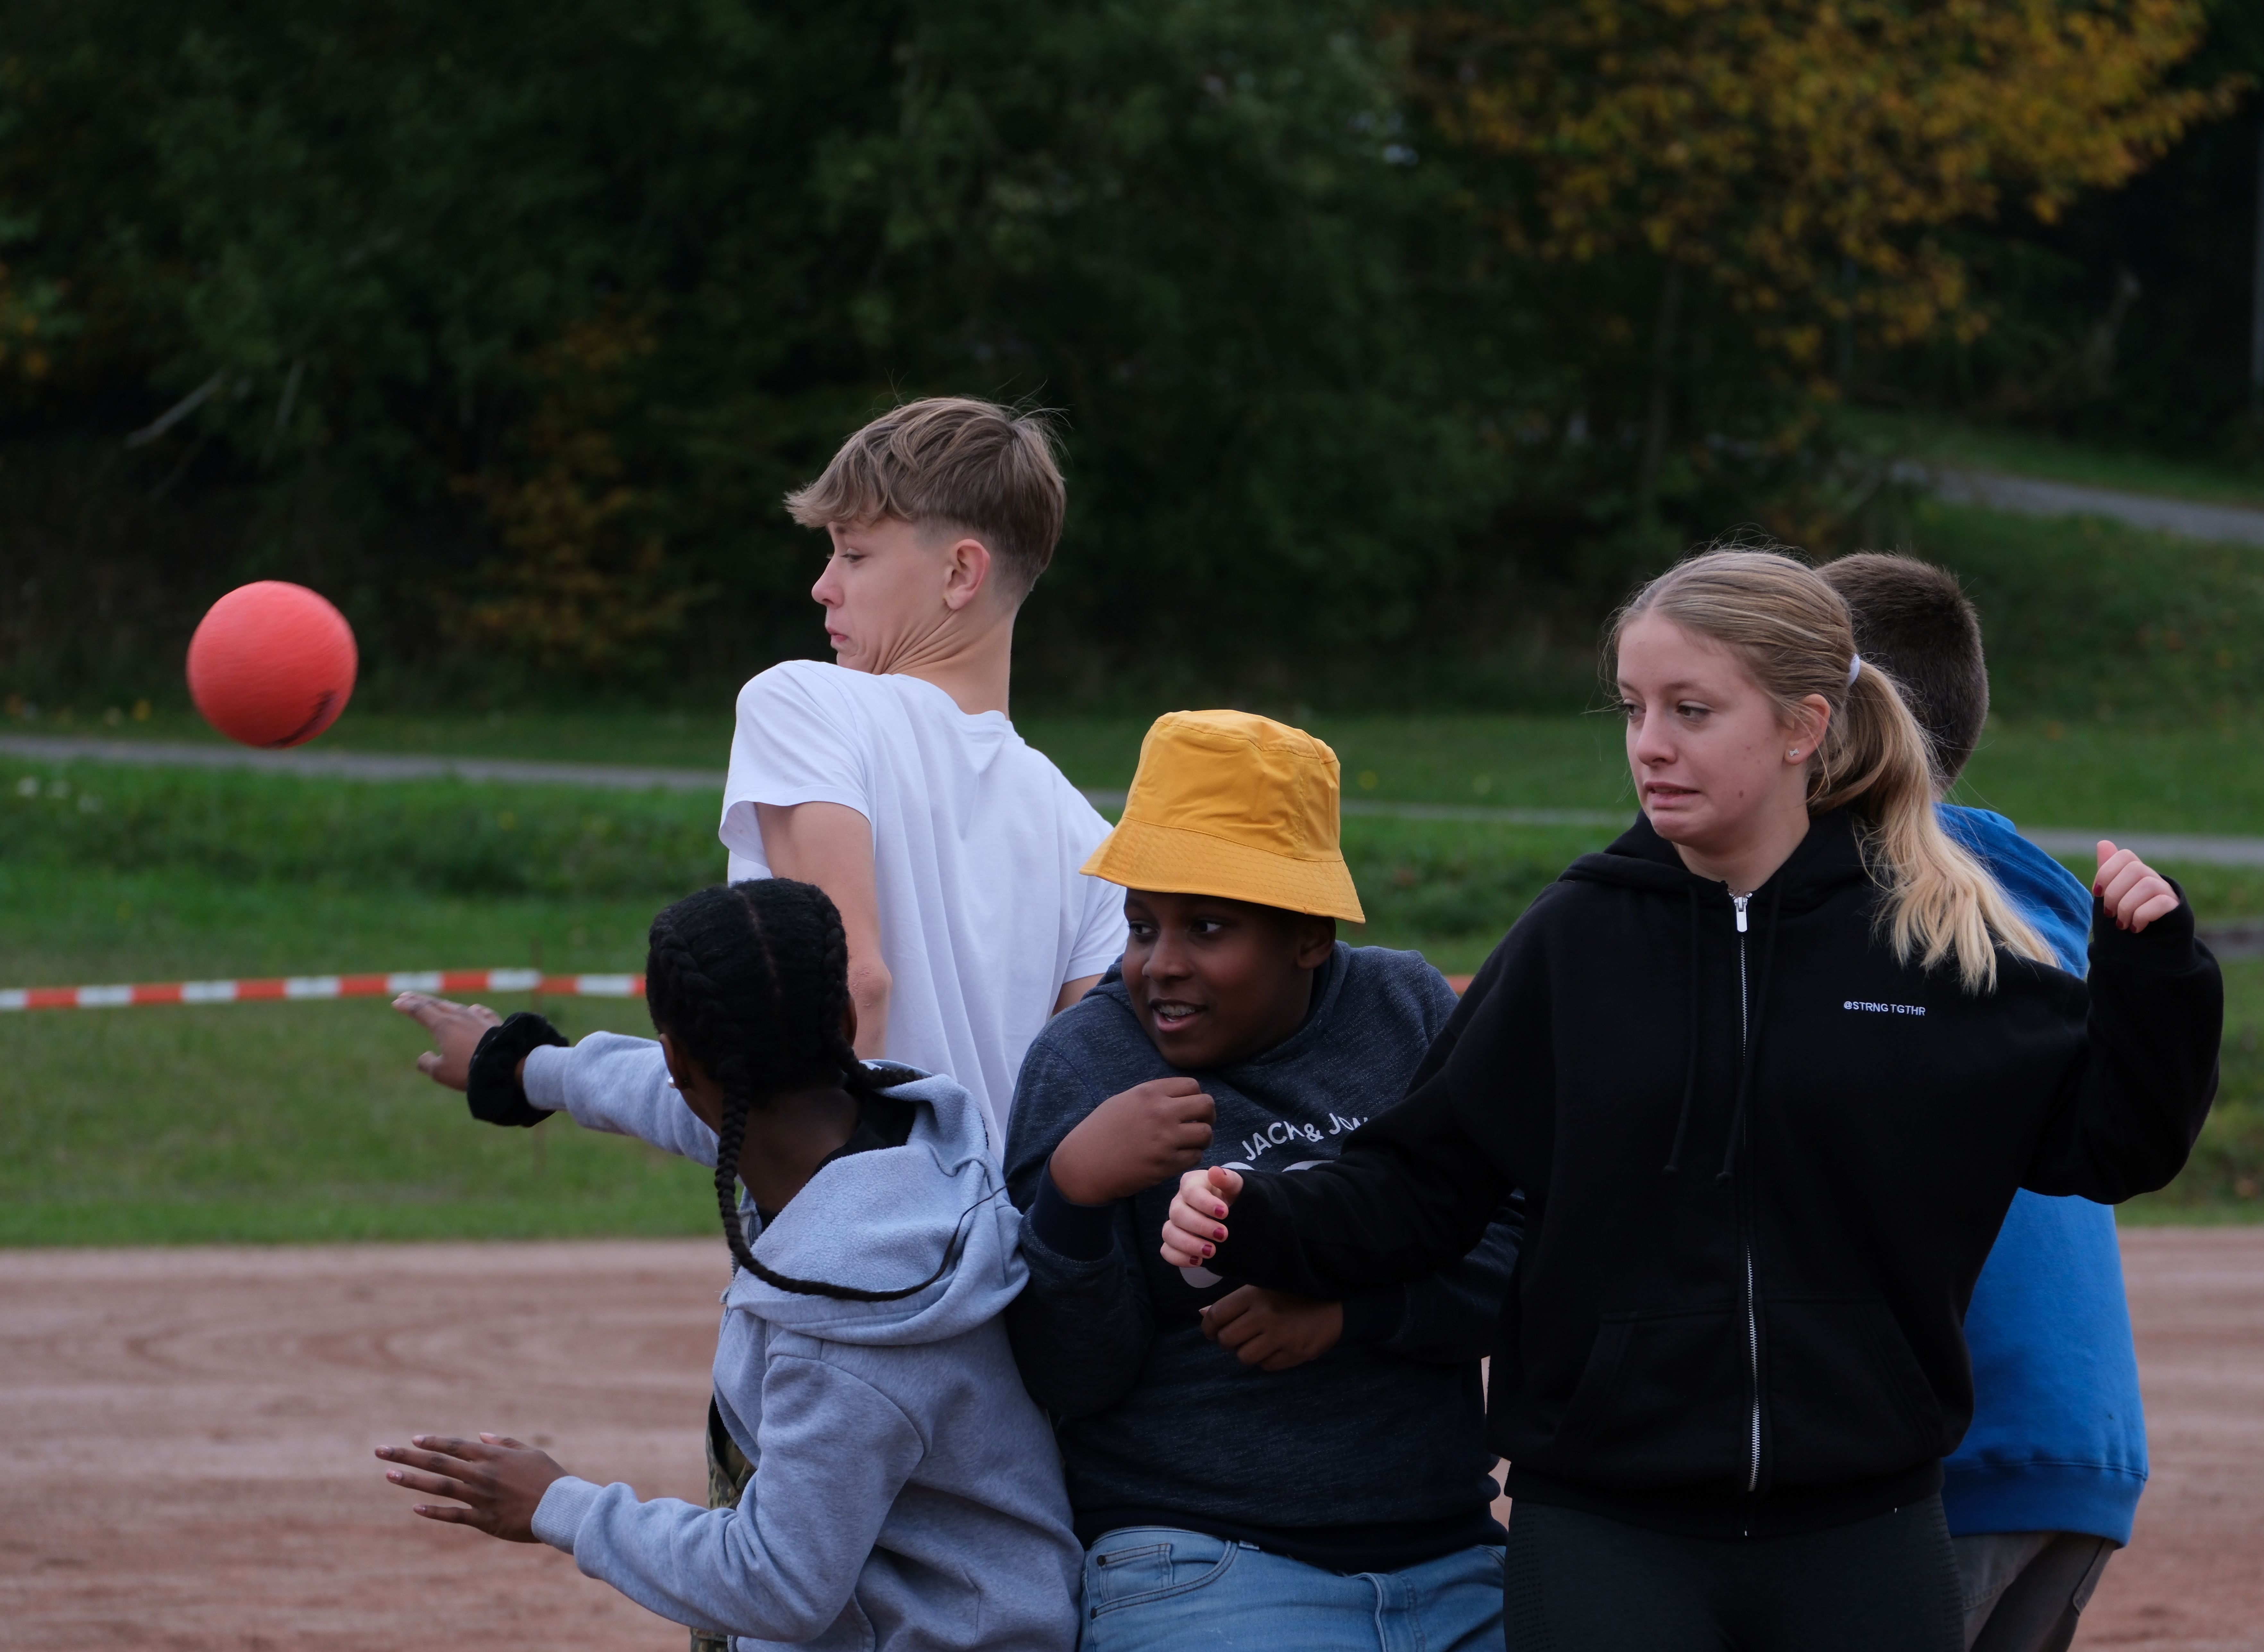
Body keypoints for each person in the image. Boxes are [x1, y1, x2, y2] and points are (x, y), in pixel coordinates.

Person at [1160, 548, 2224, 1652]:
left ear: (1803, 727)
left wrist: (2156, 975)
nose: (1649, 745)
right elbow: (1422, 1186)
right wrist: (1258, 1215)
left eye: (1690, 710)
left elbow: (2113, 1146)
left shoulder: (1931, 939)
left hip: (1868, 1530)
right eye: (1633, 709)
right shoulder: (1574, 938)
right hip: (1606, 1535)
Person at [381, 880, 1081, 1652]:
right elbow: (663, 1095)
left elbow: (777, 1580)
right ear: (846, 1023)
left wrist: (556, 1503)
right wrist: (519, 1067)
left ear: (680, 1059)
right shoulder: (896, 1141)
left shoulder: (848, 1326)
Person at [1002, 710, 1517, 1652]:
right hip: (1200, 1561)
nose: (1161, 965)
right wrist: (1072, 1199)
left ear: (1310, 934)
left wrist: (1353, 1314)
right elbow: (1070, 1378)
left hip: (1450, 1553)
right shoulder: (1083, 1065)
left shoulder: (1404, 1010)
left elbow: (1519, 1263)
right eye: (1141, 926)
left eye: (1207, 927)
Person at [1822, 553, 2143, 1652]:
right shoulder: (2023, 903)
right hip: (2078, 1444)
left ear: (1824, 718)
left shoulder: (1866, 901)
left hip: (1951, 1451)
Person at [722, 393, 1128, 1138]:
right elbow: (1079, 1108)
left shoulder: (804, 705)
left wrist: (541, 1069)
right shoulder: (1094, 841)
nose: (823, 585)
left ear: (961, 573)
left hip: (844, 1201)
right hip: (999, 1213)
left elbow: (849, 988)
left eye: (853, 553)